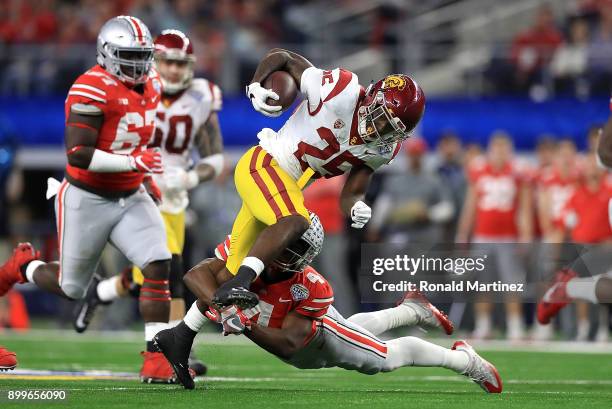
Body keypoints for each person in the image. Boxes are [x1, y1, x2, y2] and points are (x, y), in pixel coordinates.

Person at [0, 16, 176, 383]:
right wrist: (135, 162)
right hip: (87, 196)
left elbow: (136, 137)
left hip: (131, 192)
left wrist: (143, 174)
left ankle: (156, 357)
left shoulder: (153, 84)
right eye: (130, 56)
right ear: (107, 54)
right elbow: (78, 153)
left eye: (143, 56)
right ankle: (23, 267)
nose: (139, 65)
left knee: (158, 263)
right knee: (71, 288)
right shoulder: (90, 88)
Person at [154, 214, 502, 393]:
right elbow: (197, 274)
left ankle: (464, 361)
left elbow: (290, 343)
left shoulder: (309, 287)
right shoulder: (248, 250)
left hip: (316, 336)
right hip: (304, 344)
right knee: (355, 332)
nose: (282, 255)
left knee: (386, 358)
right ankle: (411, 310)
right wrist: (225, 304)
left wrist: (243, 321)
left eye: (293, 249)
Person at [212, 48, 426, 310]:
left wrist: (357, 205)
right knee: (298, 224)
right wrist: (256, 84)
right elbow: (285, 59)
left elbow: (353, 191)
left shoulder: (384, 148)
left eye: (392, 132)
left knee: (229, 268)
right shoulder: (342, 90)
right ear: (372, 98)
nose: (380, 131)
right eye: (383, 120)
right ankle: (243, 283)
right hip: (268, 164)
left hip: (287, 188)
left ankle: (179, 335)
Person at [71, 28, 224, 376]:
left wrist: (187, 177)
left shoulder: (201, 95)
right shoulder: (135, 89)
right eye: (167, 61)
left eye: (180, 63)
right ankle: (171, 352)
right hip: (136, 183)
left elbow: (214, 158)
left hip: (174, 193)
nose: (172, 70)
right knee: (170, 270)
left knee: (155, 271)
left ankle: (104, 291)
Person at [456, 132, 532, 340]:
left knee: (512, 283)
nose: (499, 152)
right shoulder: (479, 171)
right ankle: (483, 326)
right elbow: (470, 205)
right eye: (496, 148)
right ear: (490, 150)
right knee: (482, 283)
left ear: (510, 150)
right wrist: (463, 233)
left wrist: (526, 235)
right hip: (483, 236)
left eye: (503, 148)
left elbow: (524, 208)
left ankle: (515, 326)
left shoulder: (517, 173)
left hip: (508, 236)